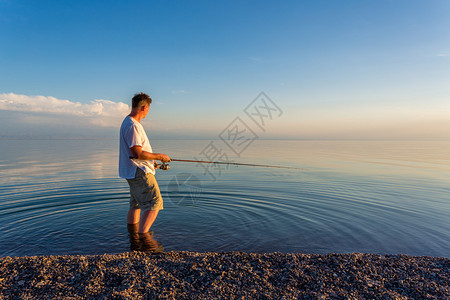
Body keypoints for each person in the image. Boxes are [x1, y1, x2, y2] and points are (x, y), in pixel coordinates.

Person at [119, 92, 171, 234]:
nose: (148, 111)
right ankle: (143, 238)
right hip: (138, 171)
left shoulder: (127, 122)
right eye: (148, 108)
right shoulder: (133, 125)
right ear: (144, 108)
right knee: (155, 203)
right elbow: (137, 152)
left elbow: (137, 153)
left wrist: (151, 160)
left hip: (132, 170)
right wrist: (160, 156)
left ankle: (133, 237)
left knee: (135, 203)